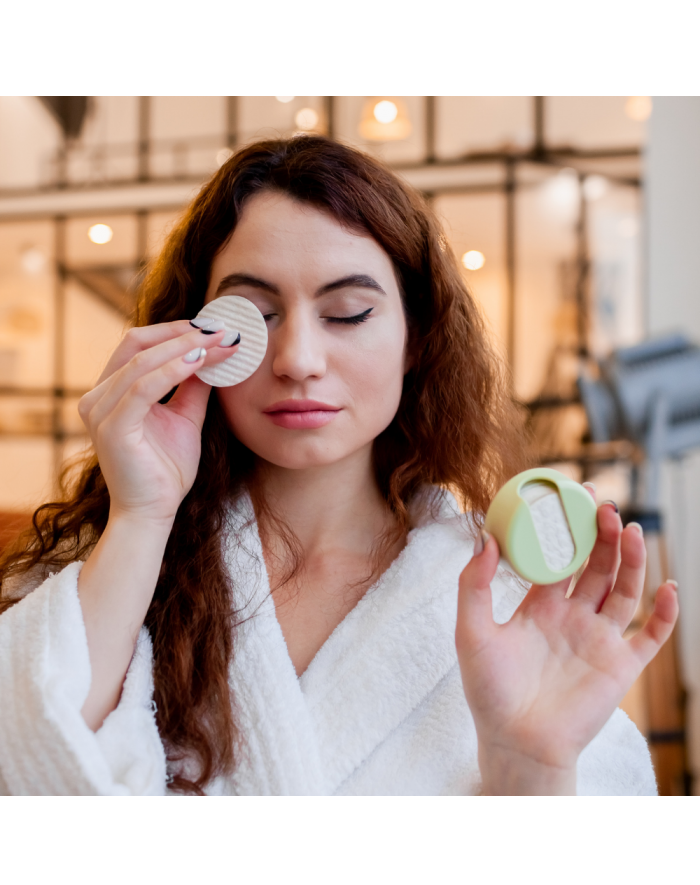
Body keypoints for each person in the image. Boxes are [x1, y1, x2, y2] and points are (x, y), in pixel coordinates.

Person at [0, 135, 677, 796]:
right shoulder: (109, 570)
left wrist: (532, 766)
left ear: (416, 337)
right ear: (196, 334)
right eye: (254, 318)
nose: (297, 358)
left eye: (348, 313)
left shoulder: (505, 600)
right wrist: (143, 514)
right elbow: (27, 773)